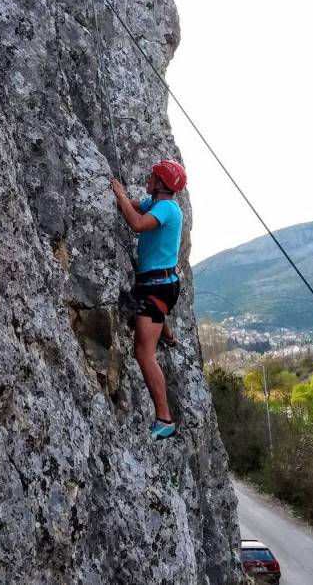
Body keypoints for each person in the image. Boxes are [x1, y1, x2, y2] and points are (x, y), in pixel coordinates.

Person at [111, 160, 186, 440]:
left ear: (160, 183)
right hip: (157, 284)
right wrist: (120, 197)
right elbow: (136, 206)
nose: (148, 178)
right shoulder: (157, 202)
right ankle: (167, 334)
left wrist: (119, 195)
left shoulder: (166, 208)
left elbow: (139, 224)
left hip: (158, 289)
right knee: (141, 314)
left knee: (143, 352)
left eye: (153, 176)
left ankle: (164, 418)